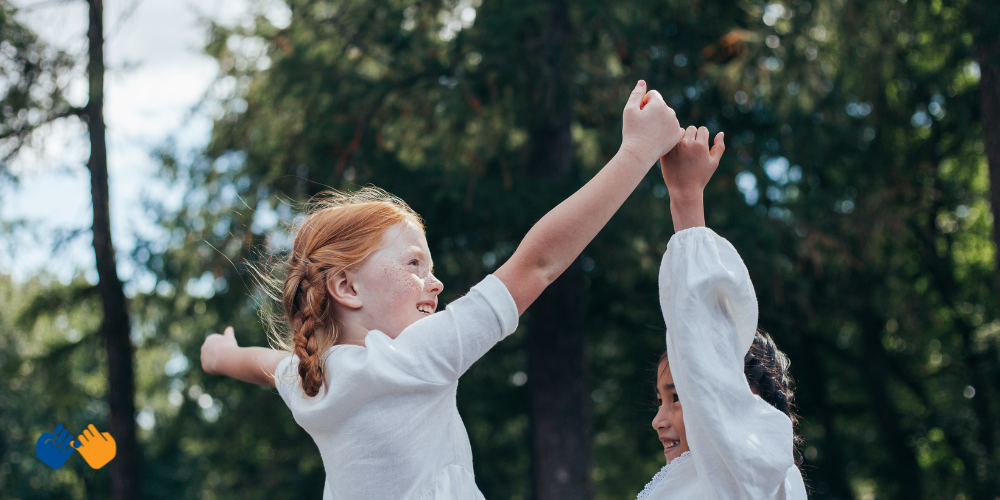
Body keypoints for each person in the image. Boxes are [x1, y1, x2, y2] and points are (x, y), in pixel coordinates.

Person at [200, 80, 683, 500]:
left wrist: (219, 355)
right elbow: (538, 264)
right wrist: (637, 153)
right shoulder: (413, 359)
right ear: (346, 286)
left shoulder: (310, 380)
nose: (436, 281)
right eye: (414, 263)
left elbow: (260, 364)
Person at [635, 126, 808, 499]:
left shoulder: (750, 472)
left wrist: (686, 197)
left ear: (739, 393)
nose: (658, 420)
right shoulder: (701, 482)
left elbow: (702, 343)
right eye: (662, 400)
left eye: (677, 396)